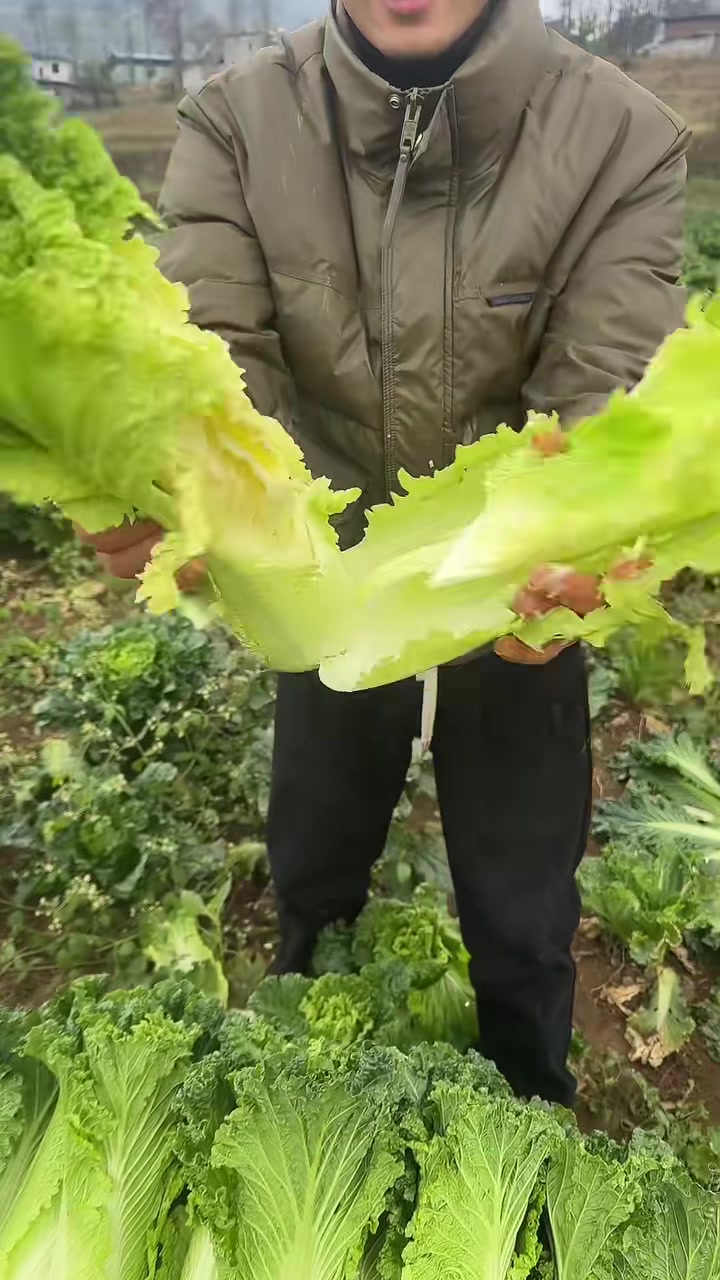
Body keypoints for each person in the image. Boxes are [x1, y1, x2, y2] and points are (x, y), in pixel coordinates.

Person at [80, 0, 688, 1105]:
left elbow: (603, 392)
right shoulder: (238, 118)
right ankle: (307, 1069)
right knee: (314, 851)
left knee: (521, 899)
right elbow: (218, 352)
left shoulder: (619, 132)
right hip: (322, 560)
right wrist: (185, 484)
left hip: (510, 586)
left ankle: (527, 1097)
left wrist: (581, 532)